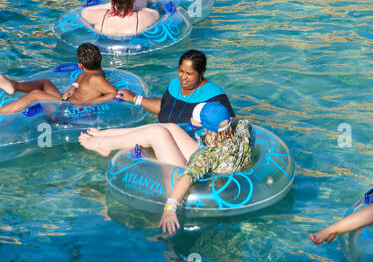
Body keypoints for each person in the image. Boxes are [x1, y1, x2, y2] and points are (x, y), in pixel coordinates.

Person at [83, 100, 254, 236]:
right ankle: (109, 134)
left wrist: (170, 208)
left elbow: (187, 178)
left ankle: (104, 144)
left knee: (158, 134)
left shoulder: (207, 156)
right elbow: (232, 121)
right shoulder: (242, 128)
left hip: (203, 180)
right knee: (170, 128)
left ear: (207, 128)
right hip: (216, 154)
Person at [80, 49, 235, 139]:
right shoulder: (175, 84)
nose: (183, 77)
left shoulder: (214, 96)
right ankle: (104, 136)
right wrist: (135, 98)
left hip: (188, 143)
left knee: (150, 132)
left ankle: (104, 140)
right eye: (181, 71)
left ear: (201, 73)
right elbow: (164, 107)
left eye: (189, 74)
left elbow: (228, 123)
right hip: (164, 135)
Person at [0, 44, 134, 117]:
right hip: (65, 102)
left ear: (80, 65)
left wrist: (88, 104)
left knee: (36, 94)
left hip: (68, 111)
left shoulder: (97, 79)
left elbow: (114, 94)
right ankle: (14, 86)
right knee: (45, 82)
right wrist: (73, 87)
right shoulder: (92, 73)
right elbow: (81, 78)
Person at [79, 0, 161, 37]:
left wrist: (109, 5)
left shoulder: (102, 16)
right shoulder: (141, 17)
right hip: (134, 48)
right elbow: (156, 14)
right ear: (133, 1)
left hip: (105, 47)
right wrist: (137, 7)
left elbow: (84, 11)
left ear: (113, 2)